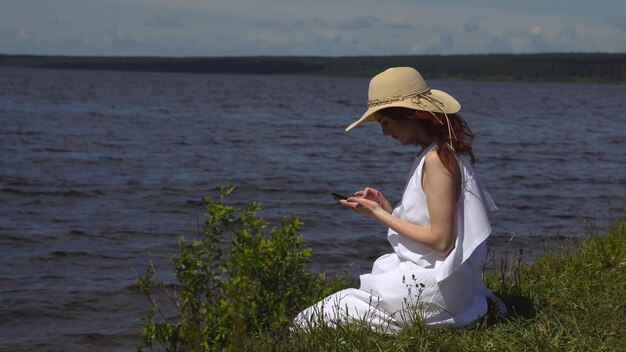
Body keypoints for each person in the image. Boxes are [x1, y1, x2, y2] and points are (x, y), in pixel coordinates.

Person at [294, 67, 505, 332]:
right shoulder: (441, 153)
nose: (385, 133)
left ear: (408, 114)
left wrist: (379, 214)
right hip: (448, 284)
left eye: (385, 122)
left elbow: (441, 242)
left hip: (436, 288)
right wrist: (387, 211)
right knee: (344, 301)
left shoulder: (437, 160)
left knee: (310, 320)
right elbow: (432, 226)